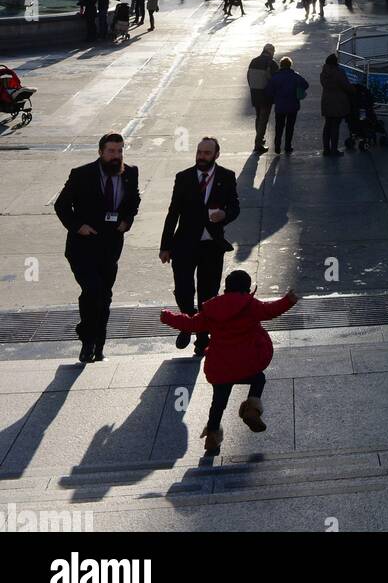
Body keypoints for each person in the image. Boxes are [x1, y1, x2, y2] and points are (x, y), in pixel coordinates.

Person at [160, 272, 298, 455]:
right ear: (248, 289)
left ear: (226, 288)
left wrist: (167, 316)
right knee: (259, 379)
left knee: (218, 403)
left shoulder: (213, 309)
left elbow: (191, 324)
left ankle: (212, 438)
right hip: (247, 363)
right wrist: (288, 300)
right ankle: (252, 409)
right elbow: (271, 310)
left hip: (221, 367)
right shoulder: (250, 306)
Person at [54, 133, 141, 363]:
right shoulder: (81, 174)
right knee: (93, 292)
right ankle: (87, 340)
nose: (116, 156)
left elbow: (134, 200)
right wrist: (78, 226)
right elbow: (61, 205)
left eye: (120, 151)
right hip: (82, 247)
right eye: (112, 151)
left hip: (110, 247)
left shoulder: (130, 173)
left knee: (104, 296)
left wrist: (127, 220)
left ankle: (99, 343)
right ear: (101, 152)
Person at [159, 137, 240, 357]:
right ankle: (187, 323)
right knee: (183, 289)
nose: (202, 156)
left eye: (206, 153)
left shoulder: (227, 177)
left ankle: (202, 338)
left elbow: (235, 207)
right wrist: (165, 246)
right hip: (184, 244)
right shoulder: (183, 177)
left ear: (216, 155)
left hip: (211, 245)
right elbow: (172, 213)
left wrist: (225, 215)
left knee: (208, 294)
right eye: (199, 152)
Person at [264, 57, 309, 155]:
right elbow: (306, 84)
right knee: (290, 127)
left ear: (281, 65)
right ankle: (287, 146)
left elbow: (269, 91)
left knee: (279, 127)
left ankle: (277, 146)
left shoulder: (275, 77)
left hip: (280, 106)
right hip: (293, 105)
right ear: (290, 65)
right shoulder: (295, 76)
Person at [320, 52, 354, 156]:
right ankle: (334, 149)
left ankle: (326, 149)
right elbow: (346, 86)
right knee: (335, 126)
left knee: (327, 125)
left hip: (326, 101)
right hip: (338, 102)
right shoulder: (339, 72)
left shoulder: (323, 73)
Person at [247, 44, 279, 153]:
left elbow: (248, 76)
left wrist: (253, 87)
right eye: (273, 51)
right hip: (265, 95)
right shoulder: (272, 63)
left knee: (258, 117)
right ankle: (258, 144)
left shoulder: (253, 61)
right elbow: (275, 80)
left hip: (255, 93)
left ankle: (260, 139)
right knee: (263, 120)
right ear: (270, 51)